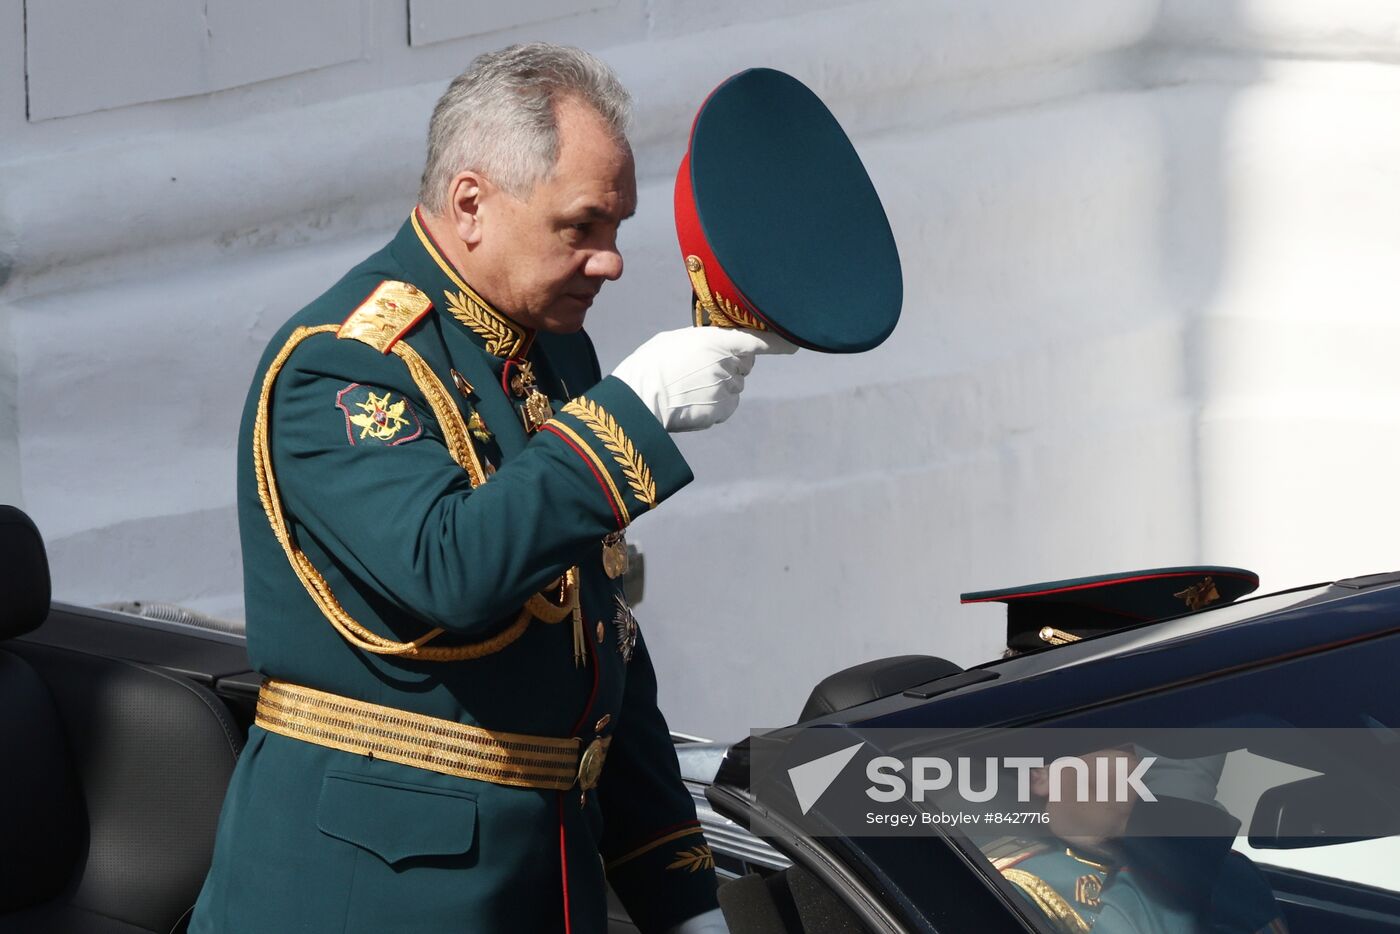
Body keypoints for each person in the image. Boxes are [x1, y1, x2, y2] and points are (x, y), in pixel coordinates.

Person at [190, 43, 793, 934]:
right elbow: (452, 571)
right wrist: (637, 407)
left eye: (617, 229)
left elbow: (598, 646)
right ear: (471, 204)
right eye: (581, 228)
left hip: (538, 883)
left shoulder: (548, 349)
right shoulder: (343, 363)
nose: (611, 261)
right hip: (374, 898)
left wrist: (681, 899)